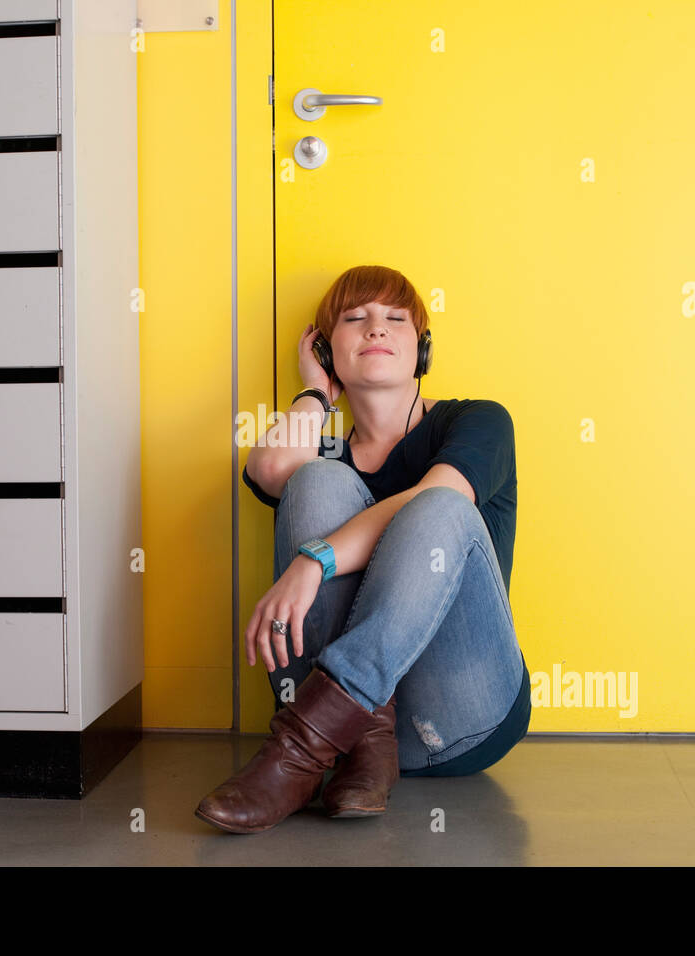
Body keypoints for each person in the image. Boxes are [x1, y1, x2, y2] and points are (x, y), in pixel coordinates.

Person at [195, 264, 530, 834]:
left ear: (421, 350)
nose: (376, 329)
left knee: (440, 505)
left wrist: (316, 558)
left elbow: (438, 495)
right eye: (355, 319)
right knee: (314, 478)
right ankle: (361, 743)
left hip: (457, 714)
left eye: (395, 319)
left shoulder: (477, 421)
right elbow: (272, 466)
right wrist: (311, 393)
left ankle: (298, 748)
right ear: (329, 353)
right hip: (351, 753)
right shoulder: (324, 453)